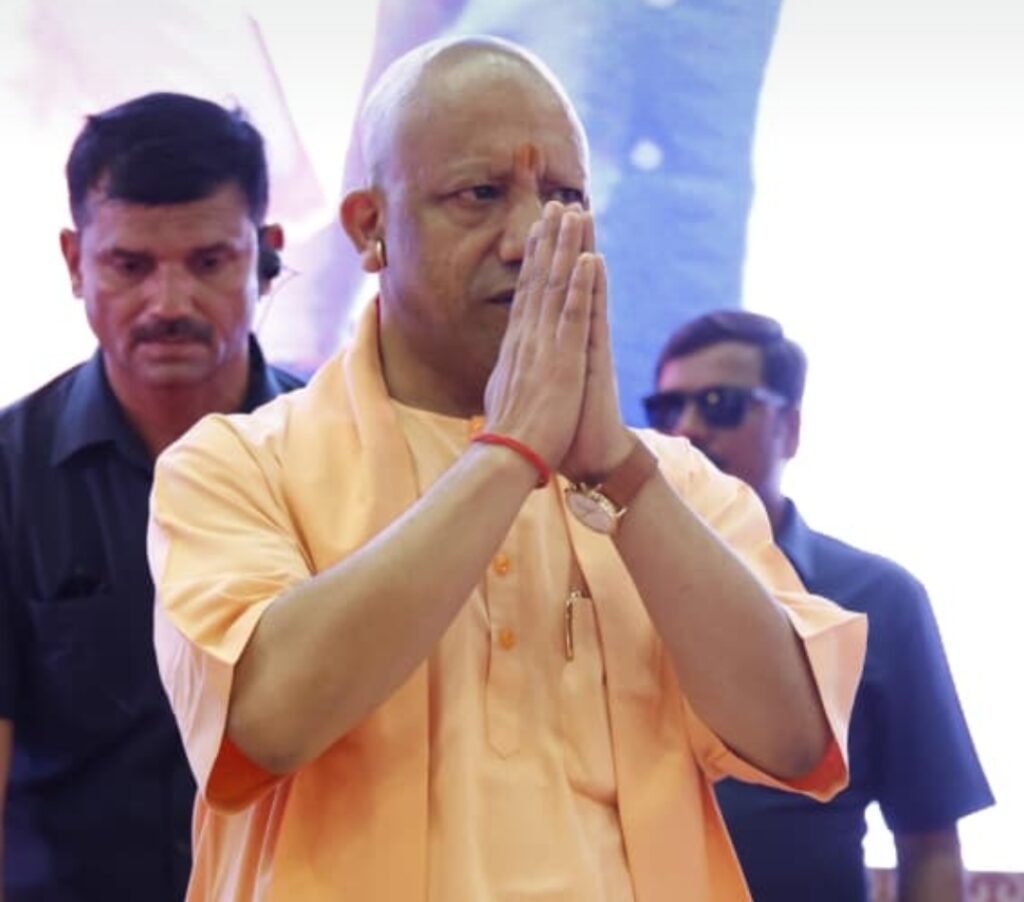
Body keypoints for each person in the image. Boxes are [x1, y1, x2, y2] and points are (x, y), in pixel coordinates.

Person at [148, 37, 867, 902]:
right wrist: (511, 452)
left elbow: (795, 740)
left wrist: (620, 473)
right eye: (480, 194)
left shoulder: (673, 483)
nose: (529, 238)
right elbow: (265, 723)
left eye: (563, 198)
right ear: (371, 228)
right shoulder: (235, 466)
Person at [0, 92, 304, 901]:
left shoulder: (346, 456)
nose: (169, 304)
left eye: (208, 263)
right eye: (130, 266)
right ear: (75, 261)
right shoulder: (8, 475)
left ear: (266, 256)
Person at [645, 309, 994, 902]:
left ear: (790, 427)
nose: (688, 430)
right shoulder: (607, 580)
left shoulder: (880, 598)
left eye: (721, 404)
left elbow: (930, 839)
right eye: (666, 409)